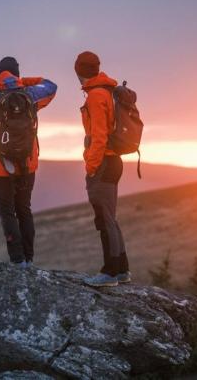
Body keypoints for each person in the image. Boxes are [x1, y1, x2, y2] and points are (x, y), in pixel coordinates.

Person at [0, 56, 56, 267]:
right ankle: (29, 257)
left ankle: (17, 261)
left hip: (0, 167)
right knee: (24, 209)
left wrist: (6, 85)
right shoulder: (31, 94)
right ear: (17, 73)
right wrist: (23, 82)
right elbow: (52, 86)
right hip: (28, 165)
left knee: (8, 212)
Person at [75, 51, 130, 287]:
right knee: (110, 218)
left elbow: (98, 136)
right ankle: (121, 270)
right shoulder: (107, 91)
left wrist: (91, 166)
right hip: (114, 161)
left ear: (79, 72)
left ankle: (109, 272)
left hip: (104, 162)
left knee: (104, 219)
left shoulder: (96, 96)